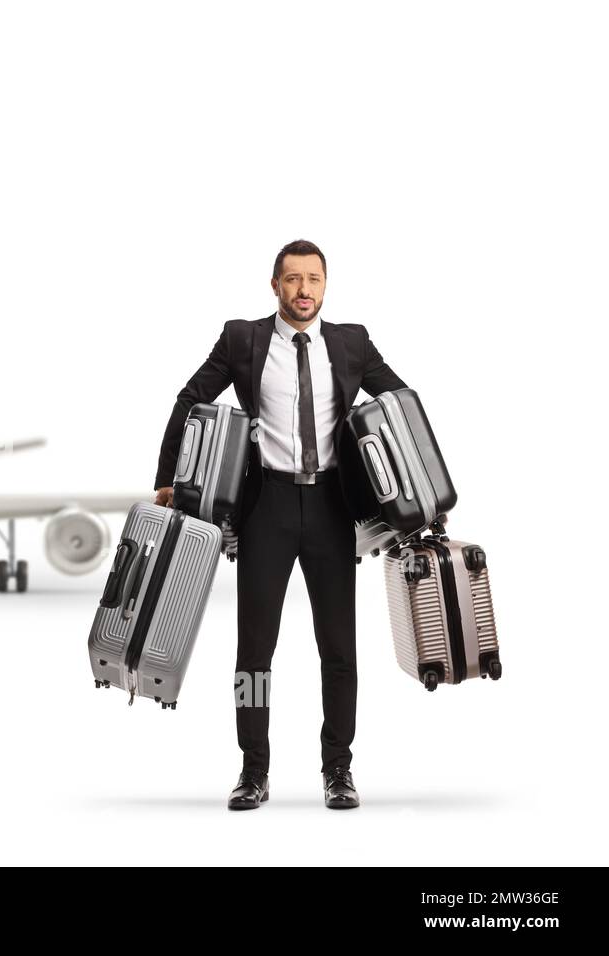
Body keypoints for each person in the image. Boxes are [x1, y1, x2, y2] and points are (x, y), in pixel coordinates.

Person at [153, 239, 407, 810]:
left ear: (325, 285)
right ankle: (253, 770)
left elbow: (400, 402)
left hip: (331, 510)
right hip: (265, 506)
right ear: (275, 285)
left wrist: (422, 487)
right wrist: (168, 477)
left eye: (313, 280)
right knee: (254, 651)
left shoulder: (352, 343)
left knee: (339, 649)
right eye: (292, 280)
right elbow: (190, 397)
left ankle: (338, 770)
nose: (303, 292)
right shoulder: (243, 339)